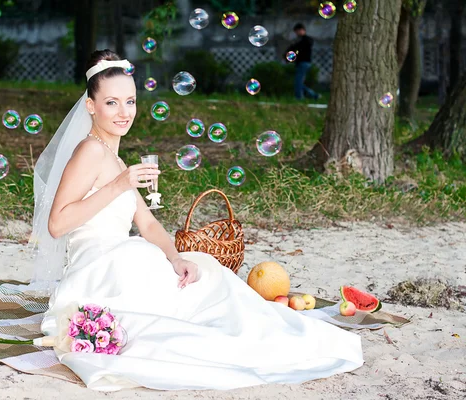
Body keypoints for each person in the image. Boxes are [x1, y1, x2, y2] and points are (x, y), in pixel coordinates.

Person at [28, 49, 363, 392]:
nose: (124, 112)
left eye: (130, 101)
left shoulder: (114, 156)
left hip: (123, 255)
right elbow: (58, 223)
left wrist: (175, 258)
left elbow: (148, 224)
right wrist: (118, 186)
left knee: (204, 270)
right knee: (183, 302)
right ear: (91, 106)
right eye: (111, 102)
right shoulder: (91, 151)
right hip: (99, 266)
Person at [285, 23, 320, 100]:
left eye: (297, 31)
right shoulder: (300, 41)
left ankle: (299, 97)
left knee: (298, 82)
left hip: (304, 63)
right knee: (298, 82)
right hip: (301, 63)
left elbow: (299, 49)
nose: (296, 34)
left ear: (301, 30)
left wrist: (294, 50)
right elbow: (295, 49)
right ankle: (314, 95)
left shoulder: (306, 40)